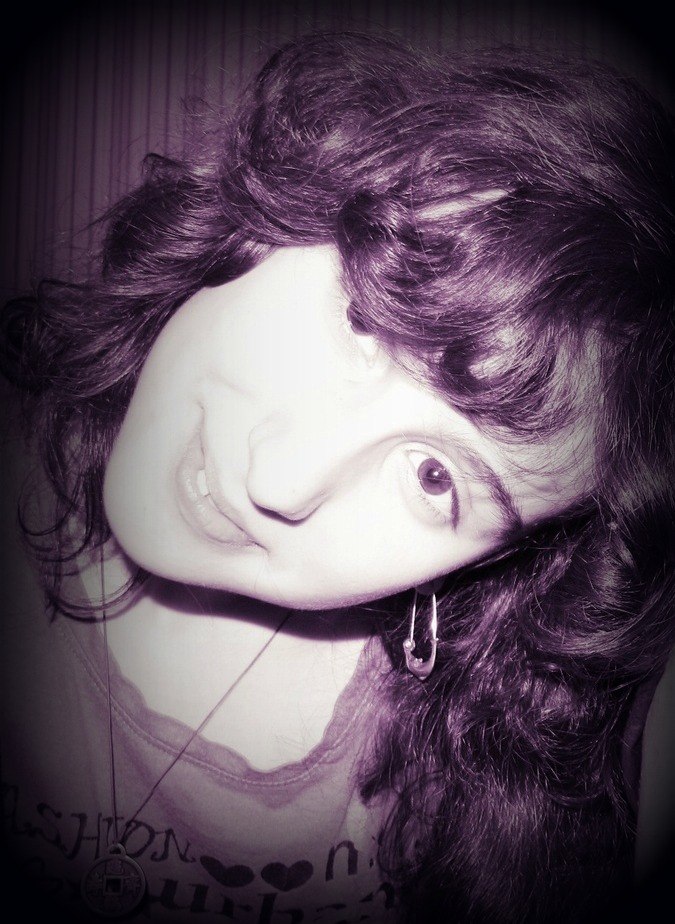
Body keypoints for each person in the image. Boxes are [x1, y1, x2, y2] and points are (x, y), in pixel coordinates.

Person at [1, 30, 674, 924]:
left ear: (493, 559)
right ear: (276, 211)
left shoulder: (536, 773)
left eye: (434, 478)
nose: (281, 481)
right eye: (361, 318)